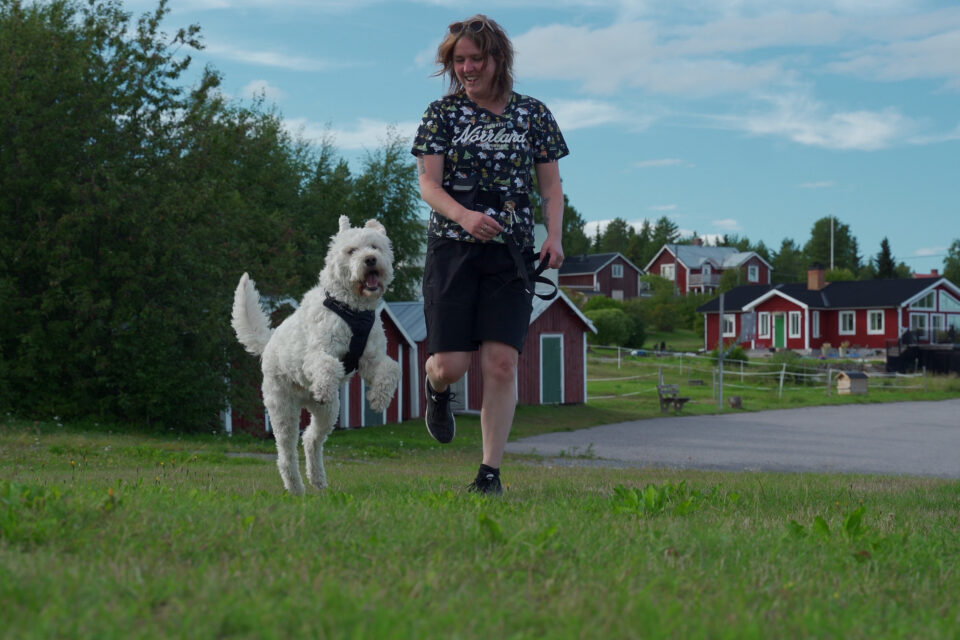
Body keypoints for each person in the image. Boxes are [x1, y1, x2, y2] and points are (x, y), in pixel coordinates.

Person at [411, 14, 568, 494]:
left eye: (476, 58)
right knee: (450, 366)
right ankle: (437, 392)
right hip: (453, 251)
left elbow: (552, 186)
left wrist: (554, 236)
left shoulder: (533, 114)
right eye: (459, 60)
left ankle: (489, 475)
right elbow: (427, 184)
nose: (467, 68)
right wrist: (464, 216)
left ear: (499, 58)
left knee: (501, 363)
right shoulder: (442, 115)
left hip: (511, 254)